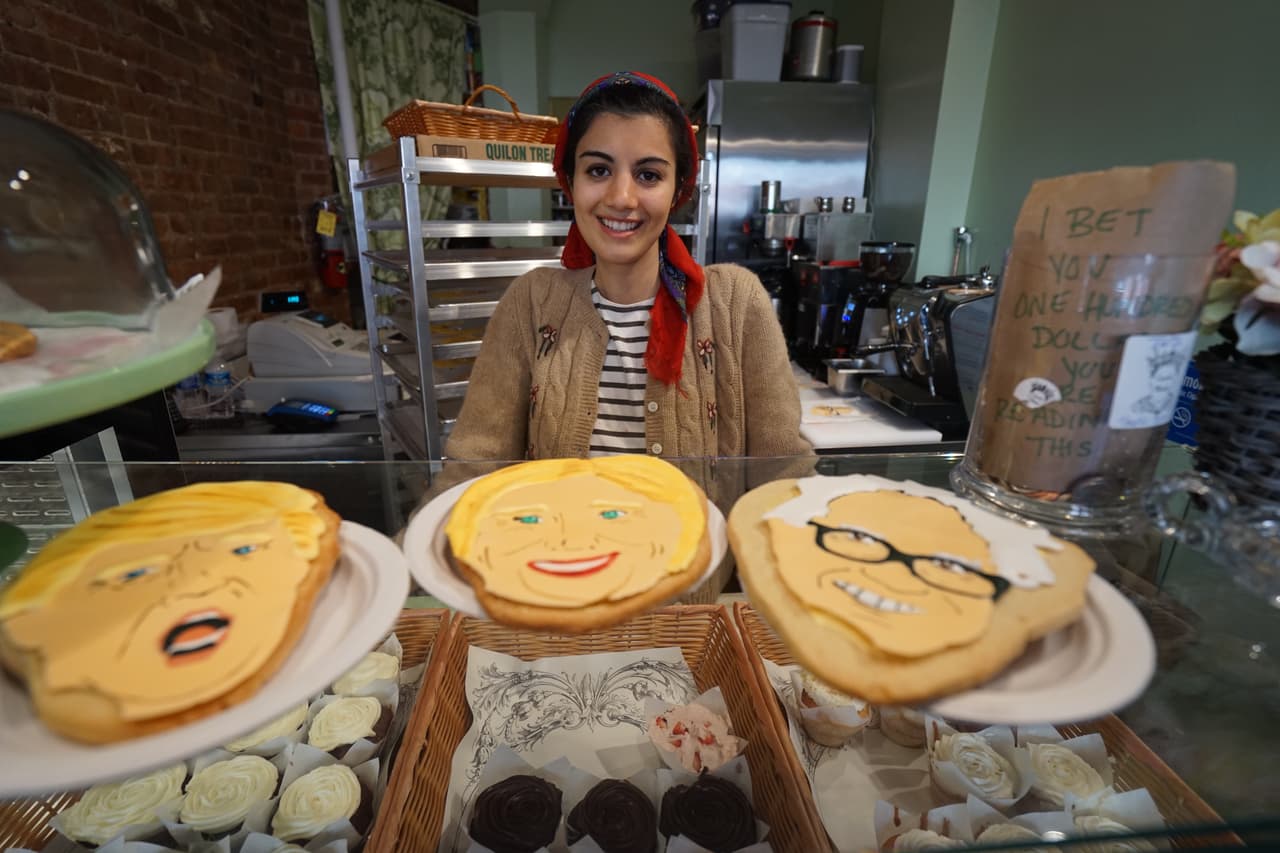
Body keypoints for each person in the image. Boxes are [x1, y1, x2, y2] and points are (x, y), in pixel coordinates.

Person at [444, 71, 811, 476]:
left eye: (649, 175)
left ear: (678, 190)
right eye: (598, 170)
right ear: (570, 182)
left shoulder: (736, 304)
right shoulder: (531, 303)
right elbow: (472, 467)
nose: (621, 198)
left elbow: (784, 475)